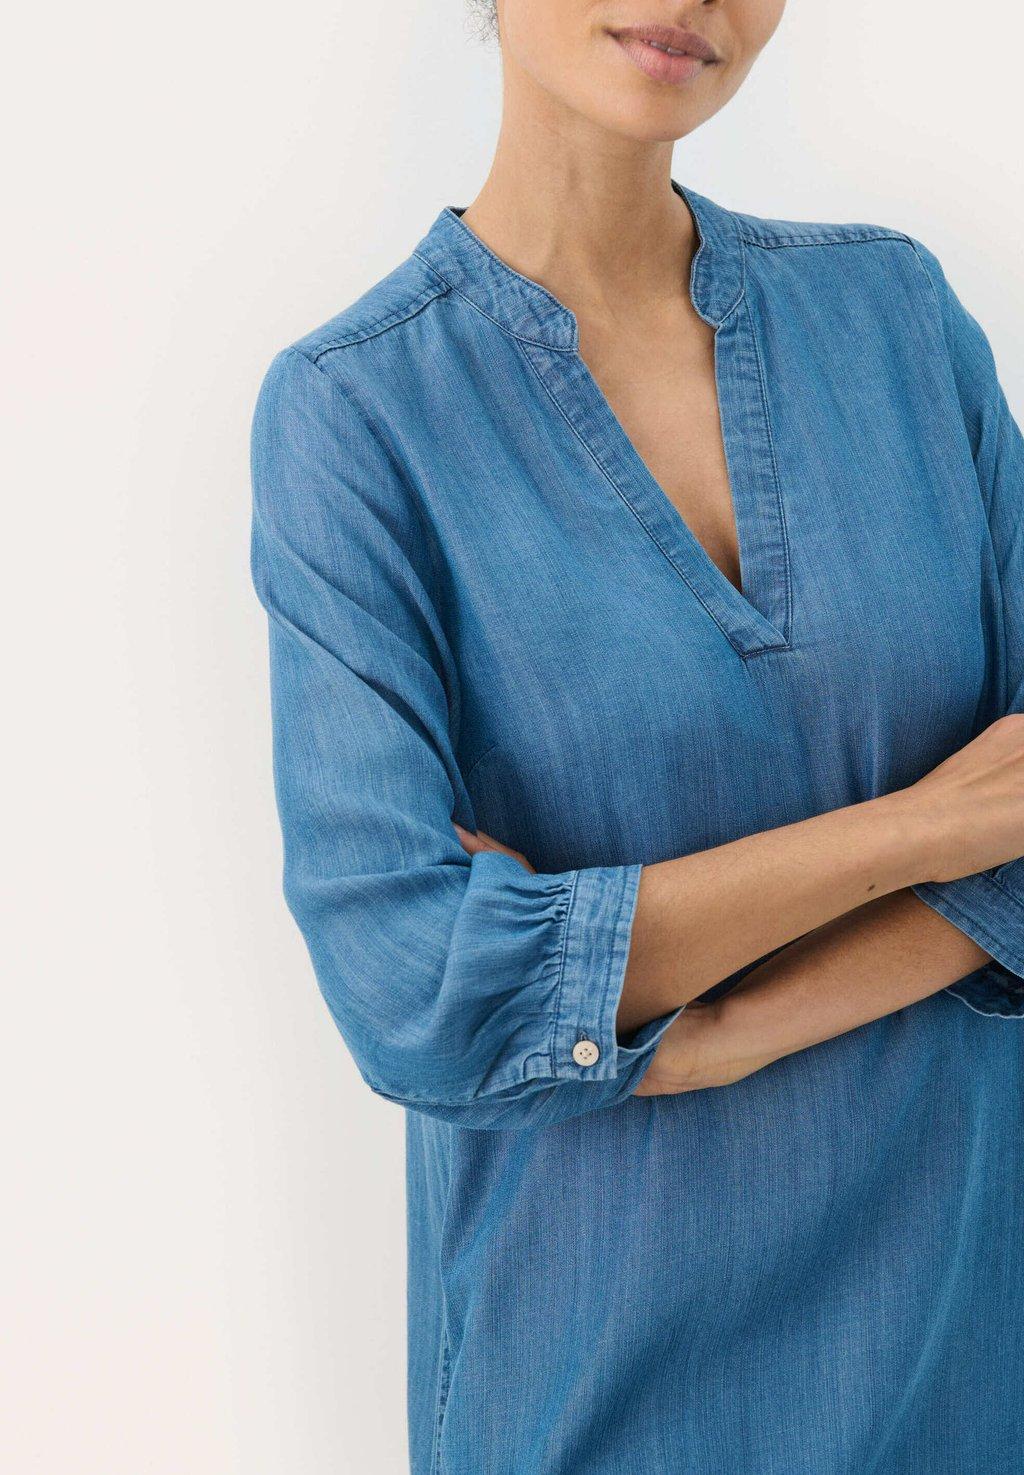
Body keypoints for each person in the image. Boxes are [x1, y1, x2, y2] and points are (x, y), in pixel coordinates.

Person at [249, 2, 1024, 1470]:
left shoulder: (896, 321)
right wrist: (936, 825)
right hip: (594, 1393)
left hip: (962, 1374)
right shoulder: (356, 415)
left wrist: (681, 1022)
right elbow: (421, 992)